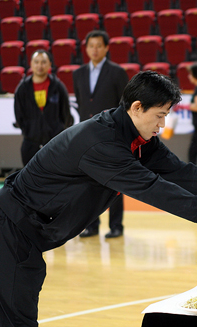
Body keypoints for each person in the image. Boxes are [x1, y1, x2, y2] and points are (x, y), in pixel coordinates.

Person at [0, 70, 197, 327]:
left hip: (13, 226)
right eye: (160, 116)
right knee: (14, 316)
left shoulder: (134, 134)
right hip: (9, 227)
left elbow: (180, 171)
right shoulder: (102, 143)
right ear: (137, 108)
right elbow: (153, 188)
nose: (163, 125)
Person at [73, 30, 129, 238]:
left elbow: (124, 105)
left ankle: (116, 226)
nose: (94, 49)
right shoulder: (78, 74)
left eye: (99, 45)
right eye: (91, 46)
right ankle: (92, 225)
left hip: (112, 135)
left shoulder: (117, 72)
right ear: (86, 48)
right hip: (86, 136)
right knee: (89, 183)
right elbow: (81, 103)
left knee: (115, 182)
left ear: (106, 48)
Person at [14, 50, 73, 166]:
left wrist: (58, 131)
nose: (39, 66)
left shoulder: (58, 86)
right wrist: (29, 131)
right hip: (30, 143)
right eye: (36, 62)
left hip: (55, 144)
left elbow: (66, 113)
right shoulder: (23, 88)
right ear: (31, 64)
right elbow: (19, 115)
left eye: (43, 62)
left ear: (50, 64)